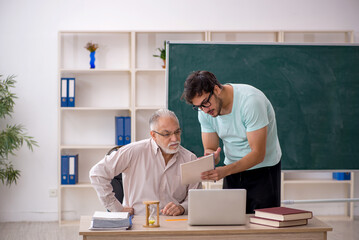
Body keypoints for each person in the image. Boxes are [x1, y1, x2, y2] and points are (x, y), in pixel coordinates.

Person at [181, 70, 282, 213]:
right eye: (198, 106)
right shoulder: (204, 111)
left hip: (264, 170)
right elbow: (210, 147)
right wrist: (211, 158)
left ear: (216, 89)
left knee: (263, 228)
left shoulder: (251, 101)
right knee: (232, 223)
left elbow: (258, 154)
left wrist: (225, 171)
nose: (204, 110)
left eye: (205, 103)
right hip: (232, 171)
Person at [89, 109, 201, 216]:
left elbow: (195, 198)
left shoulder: (189, 158)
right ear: (153, 135)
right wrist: (117, 209)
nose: (174, 139)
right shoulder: (134, 151)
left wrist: (182, 208)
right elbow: (97, 173)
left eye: (177, 132)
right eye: (167, 134)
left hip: (173, 223)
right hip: (138, 220)